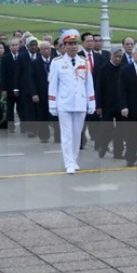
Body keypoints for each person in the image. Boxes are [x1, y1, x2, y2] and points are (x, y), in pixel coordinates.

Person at [48, 29, 96, 174]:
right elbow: (52, 85)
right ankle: (68, 162)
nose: (73, 46)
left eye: (75, 43)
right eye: (70, 44)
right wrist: (53, 104)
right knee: (67, 135)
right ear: (64, 45)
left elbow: (89, 84)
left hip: (80, 103)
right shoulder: (57, 63)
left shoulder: (84, 62)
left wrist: (91, 102)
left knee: (77, 134)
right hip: (64, 103)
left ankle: (74, 159)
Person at [95, 47, 124, 159]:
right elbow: (99, 88)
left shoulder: (124, 68)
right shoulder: (103, 69)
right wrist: (99, 105)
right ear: (110, 56)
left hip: (121, 105)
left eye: (120, 57)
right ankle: (103, 144)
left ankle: (118, 152)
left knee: (121, 129)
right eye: (115, 56)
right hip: (107, 105)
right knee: (107, 128)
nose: (118, 59)